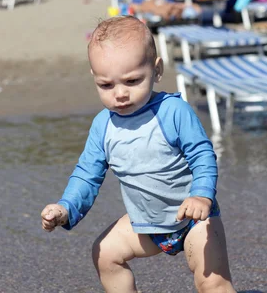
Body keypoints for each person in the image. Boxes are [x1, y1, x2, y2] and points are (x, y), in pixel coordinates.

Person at [41, 17, 236, 293]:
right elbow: (87, 175)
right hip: (145, 224)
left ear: (156, 70)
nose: (120, 93)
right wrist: (65, 207)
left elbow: (203, 154)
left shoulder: (173, 112)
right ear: (94, 78)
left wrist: (202, 194)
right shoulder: (103, 126)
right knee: (104, 253)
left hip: (194, 219)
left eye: (132, 81)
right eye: (106, 85)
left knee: (212, 282)